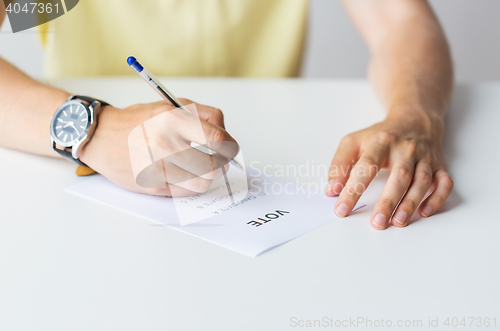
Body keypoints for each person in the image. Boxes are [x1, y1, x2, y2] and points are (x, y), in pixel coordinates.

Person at [0, 0, 454, 230]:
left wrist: (414, 114)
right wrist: (93, 130)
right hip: (72, 196)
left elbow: (401, 21)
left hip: (265, 167)